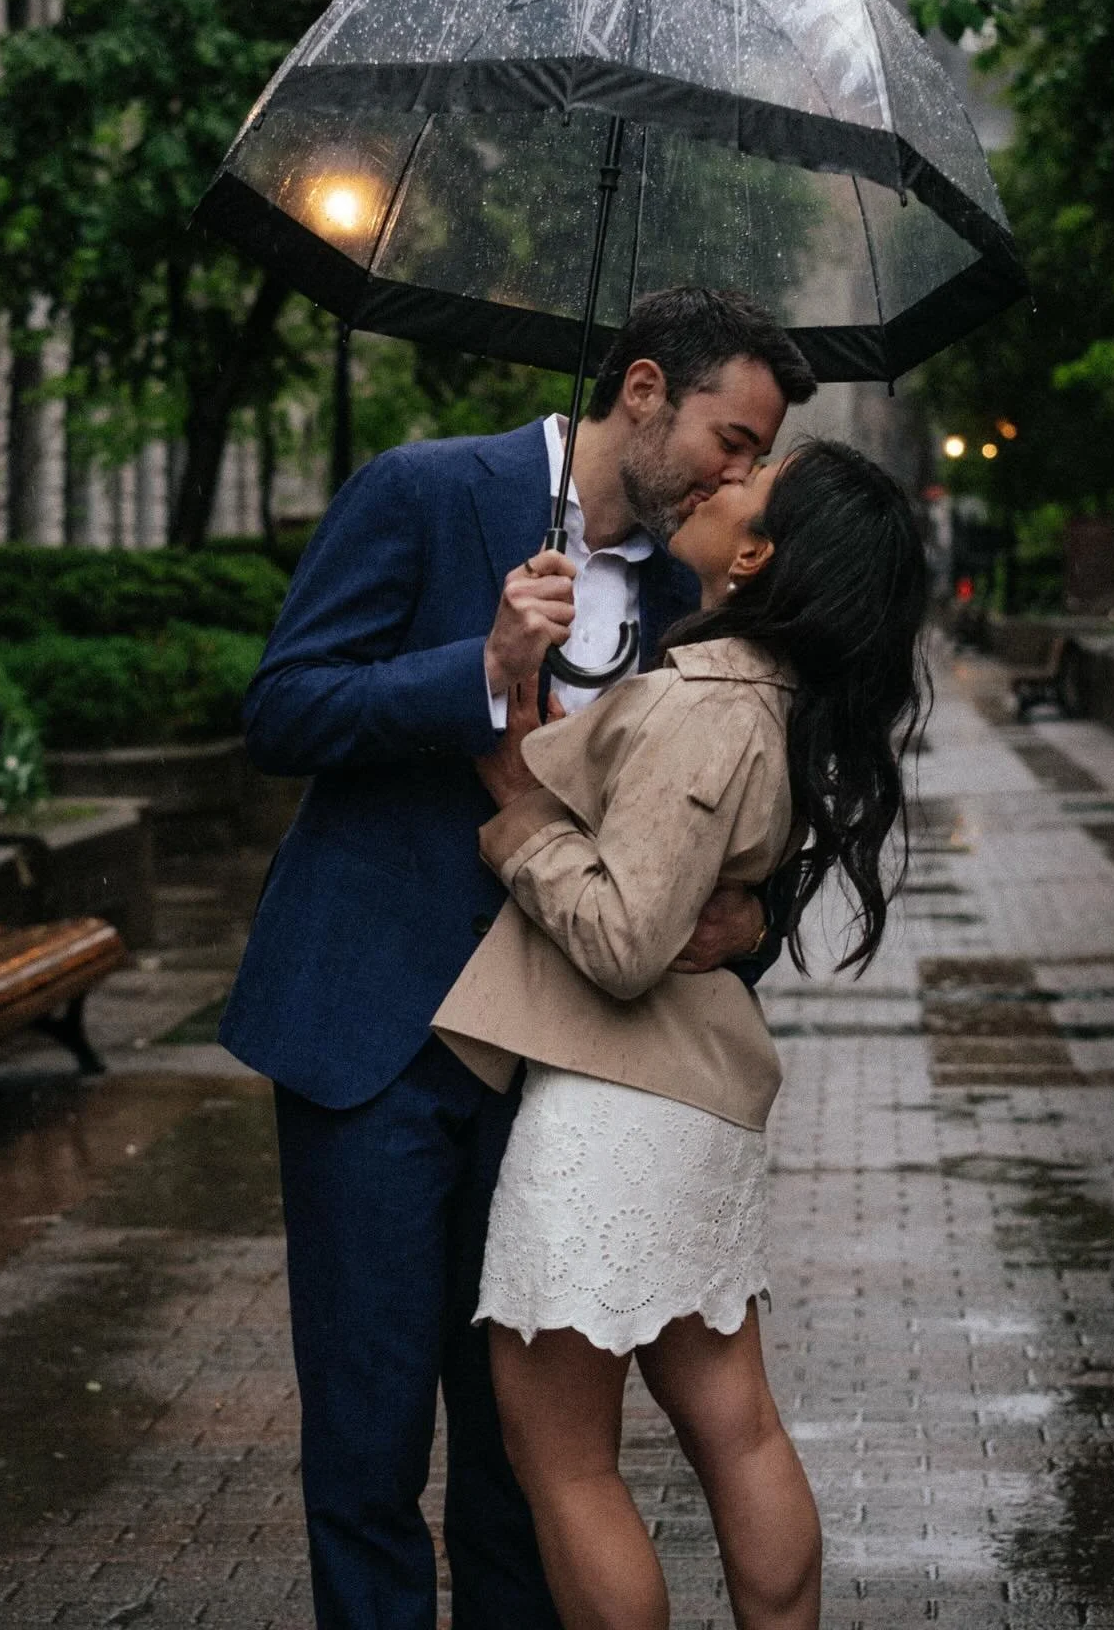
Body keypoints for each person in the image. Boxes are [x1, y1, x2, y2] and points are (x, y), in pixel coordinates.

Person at [220, 287, 818, 1629]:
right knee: (369, 1447)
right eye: (731, 440)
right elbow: (283, 707)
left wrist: (752, 926)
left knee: (527, 1465)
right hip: (376, 1041)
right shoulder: (425, 492)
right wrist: (478, 670)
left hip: (563, 1074)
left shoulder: (686, 597)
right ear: (646, 388)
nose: (740, 479)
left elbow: (721, 824)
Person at [432, 439, 930, 1630]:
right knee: (736, 1425)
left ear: (759, 555)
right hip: (685, 1103)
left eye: (751, 484)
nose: (717, 486)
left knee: (562, 1460)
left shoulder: (703, 701)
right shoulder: (774, 699)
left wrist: (519, 814)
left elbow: (620, 939)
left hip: (614, 1112)